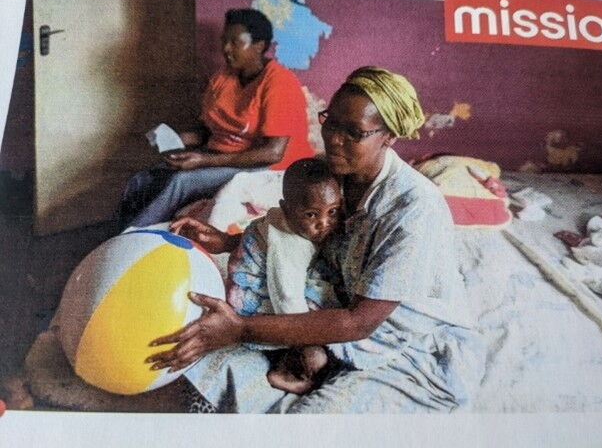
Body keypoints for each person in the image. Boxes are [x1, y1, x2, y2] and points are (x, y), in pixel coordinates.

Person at [147, 66, 486, 413]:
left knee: (310, 421)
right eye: (330, 122)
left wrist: (241, 329)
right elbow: (295, 234)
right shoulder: (332, 174)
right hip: (336, 312)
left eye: (353, 132)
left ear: (389, 137)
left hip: (410, 344)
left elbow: (360, 322)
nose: (334, 139)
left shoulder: (413, 208)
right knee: (199, 367)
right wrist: (230, 243)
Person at [115, 8, 313, 230]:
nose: (226, 48)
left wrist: (204, 161)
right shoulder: (223, 77)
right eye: (224, 41)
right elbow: (210, 130)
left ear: (259, 45)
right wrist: (178, 140)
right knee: (143, 179)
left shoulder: (280, 83)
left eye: (235, 42)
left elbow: (273, 153)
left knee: (182, 181)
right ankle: (117, 231)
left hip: (268, 166)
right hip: (222, 155)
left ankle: (132, 235)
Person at [226, 158, 342, 395]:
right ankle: (286, 371)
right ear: (286, 208)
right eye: (311, 215)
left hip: (266, 284)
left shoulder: (287, 220)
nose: (324, 223)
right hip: (252, 306)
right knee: (319, 350)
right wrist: (307, 343)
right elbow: (287, 299)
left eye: (332, 212)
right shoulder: (289, 244)